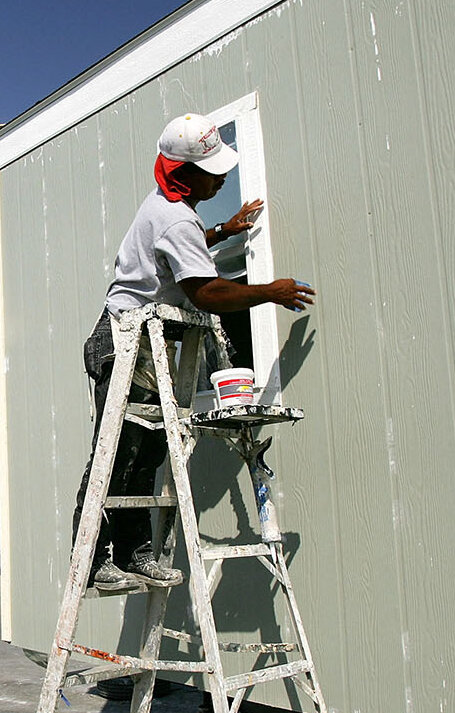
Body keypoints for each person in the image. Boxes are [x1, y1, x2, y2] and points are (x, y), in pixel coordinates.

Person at [74, 112, 316, 592]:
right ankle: (91, 562)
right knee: (117, 453)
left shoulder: (170, 208)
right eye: (214, 169)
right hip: (125, 341)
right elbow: (205, 292)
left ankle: (134, 554)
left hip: (146, 341)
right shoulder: (175, 216)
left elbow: (181, 253)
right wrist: (271, 291)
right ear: (185, 173)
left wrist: (224, 231)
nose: (223, 175)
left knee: (146, 455)